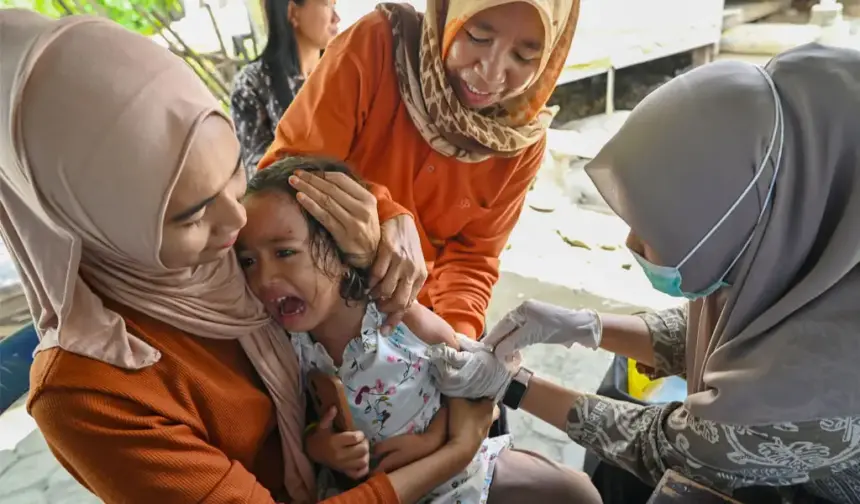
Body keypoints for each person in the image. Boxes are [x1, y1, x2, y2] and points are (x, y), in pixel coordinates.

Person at [0, 10, 500, 504]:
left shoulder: (229, 250)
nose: (236, 222)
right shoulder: (91, 394)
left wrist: (386, 213)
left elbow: (286, 193)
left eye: (233, 170)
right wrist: (456, 451)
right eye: (191, 216)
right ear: (94, 222)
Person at [423, 43, 860, 504]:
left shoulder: (813, 390)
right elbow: (708, 337)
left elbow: (666, 446)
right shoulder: (804, 247)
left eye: (655, 226)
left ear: (734, 221)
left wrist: (511, 385)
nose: (632, 243)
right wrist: (584, 326)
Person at [236, 156, 602, 503]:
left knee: (575, 492)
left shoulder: (396, 316)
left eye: (284, 252)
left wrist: (433, 440)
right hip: (378, 490)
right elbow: (307, 426)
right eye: (248, 261)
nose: (264, 278)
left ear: (341, 248)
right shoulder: (288, 346)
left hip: (455, 474)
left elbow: (465, 374)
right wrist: (324, 449)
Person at [231, 0, 340, 173]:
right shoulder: (252, 83)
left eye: (335, 6)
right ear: (293, 11)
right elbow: (257, 173)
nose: (337, 18)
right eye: (327, 5)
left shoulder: (339, 75)